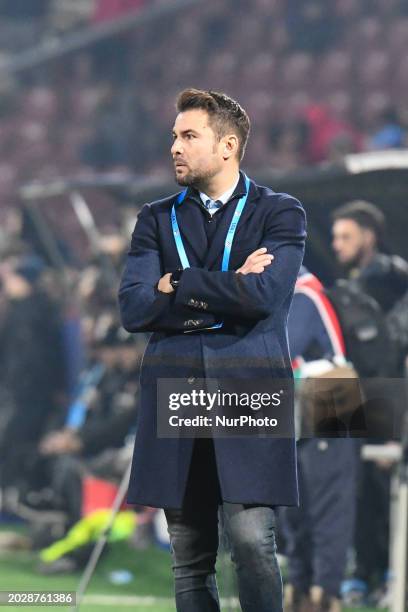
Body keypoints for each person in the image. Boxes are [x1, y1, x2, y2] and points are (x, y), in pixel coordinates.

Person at [118, 88, 306, 612]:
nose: (173, 146)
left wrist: (175, 284)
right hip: (175, 390)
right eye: (174, 136)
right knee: (190, 555)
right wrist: (227, 289)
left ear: (227, 146)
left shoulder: (279, 212)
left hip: (248, 390)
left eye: (188, 136)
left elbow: (266, 296)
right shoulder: (155, 217)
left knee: (252, 544)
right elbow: (133, 310)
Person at [331, 200, 408, 605]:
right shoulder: (349, 287)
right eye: (335, 236)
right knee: (345, 484)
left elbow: (391, 342)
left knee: (381, 485)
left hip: (384, 390)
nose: (337, 244)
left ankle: (382, 572)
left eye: (346, 236)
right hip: (345, 389)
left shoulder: (392, 277)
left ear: (369, 237)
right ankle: (357, 570)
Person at [281, 267, 358, 612]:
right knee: (295, 503)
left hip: (332, 388)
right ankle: (299, 589)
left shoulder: (304, 293)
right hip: (304, 393)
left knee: (326, 503)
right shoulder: (290, 294)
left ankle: (325, 595)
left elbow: (283, 350)